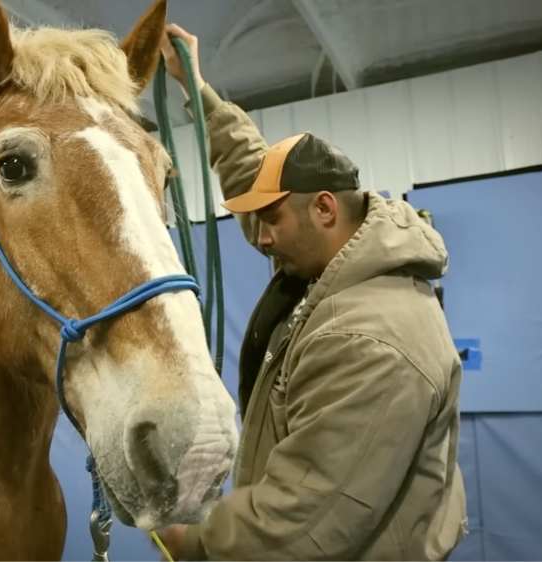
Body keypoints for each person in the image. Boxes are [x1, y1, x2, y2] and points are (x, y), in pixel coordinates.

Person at [151, 24, 468, 562]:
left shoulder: (368, 338)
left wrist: (195, 541)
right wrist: (197, 89)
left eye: (271, 220)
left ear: (323, 208)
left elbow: (305, 518)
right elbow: (251, 169)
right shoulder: (332, 254)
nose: (260, 237)